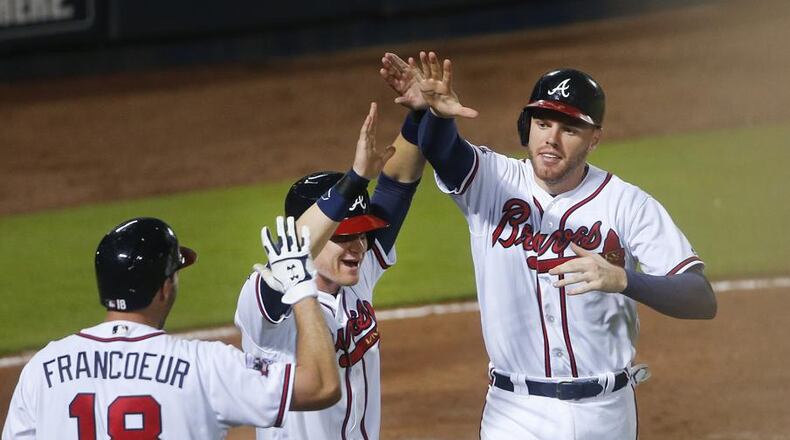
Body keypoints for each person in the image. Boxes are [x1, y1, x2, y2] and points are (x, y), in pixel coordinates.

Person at [380, 51, 717, 439]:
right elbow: (445, 153)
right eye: (542, 124)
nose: (551, 140)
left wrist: (623, 280)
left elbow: (700, 297)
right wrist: (437, 115)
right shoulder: (492, 180)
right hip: (514, 412)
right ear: (527, 127)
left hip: (604, 414)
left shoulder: (627, 204)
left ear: (594, 139)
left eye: (569, 129)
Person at [2, 215, 340, 439]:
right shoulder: (205, 365)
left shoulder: (42, 369)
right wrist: (301, 288)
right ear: (165, 288)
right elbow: (321, 386)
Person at [234, 102, 426, 440]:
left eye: (361, 233)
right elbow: (295, 248)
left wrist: (423, 115)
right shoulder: (265, 304)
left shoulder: (355, 275)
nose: (358, 246)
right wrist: (355, 179)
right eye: (341, 236)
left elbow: (398, 184)